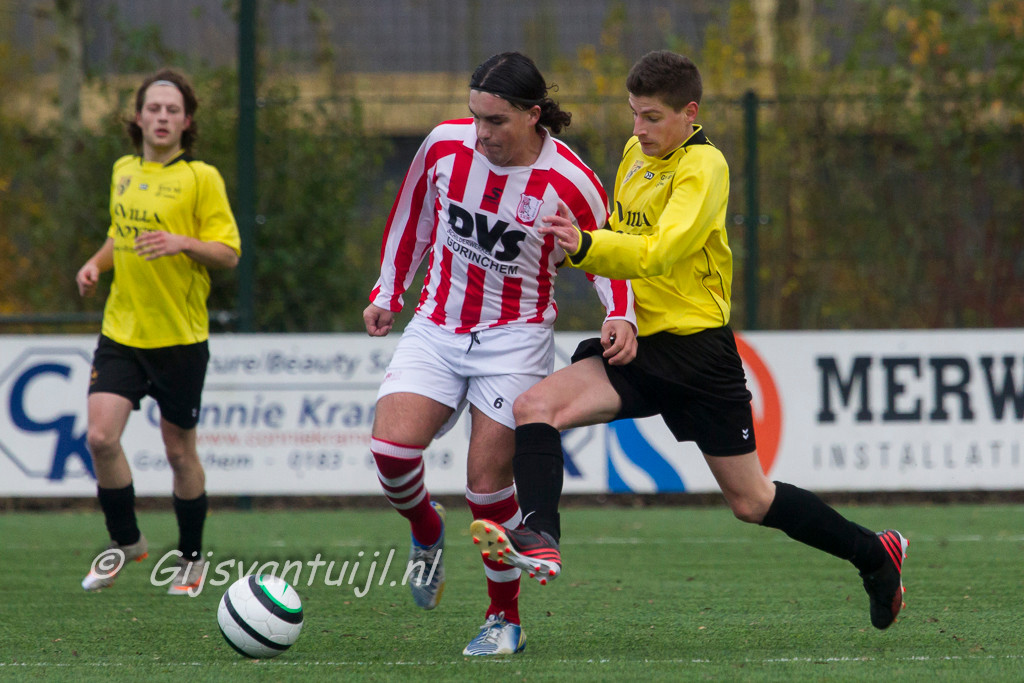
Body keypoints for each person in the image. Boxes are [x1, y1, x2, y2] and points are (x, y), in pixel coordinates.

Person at [470, 50, 908, 631]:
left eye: (652, 117)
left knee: (751, 501)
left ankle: (875, 554)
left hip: (698, 356)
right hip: (639, 348)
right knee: (535, 407)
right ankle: (541, 536)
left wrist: (586, 245)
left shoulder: (705, 167)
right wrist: (617, 308)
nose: (639, 129)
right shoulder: (635, 155)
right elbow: (621, 239)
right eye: (633, 113)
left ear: (689, 113)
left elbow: (660, 251)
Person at [363, 52, 636, 655]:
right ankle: (426, 530)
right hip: (437, 324)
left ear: (533, 114)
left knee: (486, 486)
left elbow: (608, 252)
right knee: (390, 452)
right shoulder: (444, 146)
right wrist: (388, 292)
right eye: (475, 117)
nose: (481, 132)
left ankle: (503, 619)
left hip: (516, 339)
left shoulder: (571, 180)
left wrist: (620, 313)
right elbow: (412, 219)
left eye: (495, 120)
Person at [76, 68, 241, 595]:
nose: (163, 117)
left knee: (178, 453)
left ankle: (190, 561)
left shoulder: (201, 178)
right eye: (154, 108)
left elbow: (228, 253)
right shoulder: (123, 170)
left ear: (186, 120)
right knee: (100, 437)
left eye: (173, 110)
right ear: (139, 117)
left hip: (179, 339)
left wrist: (182, 242)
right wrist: (96, 264)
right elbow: (119, 236)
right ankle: (126, 541)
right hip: (122, 331)